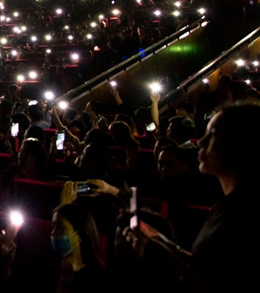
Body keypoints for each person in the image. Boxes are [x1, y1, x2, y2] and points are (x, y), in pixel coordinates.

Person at [122, 102, 260, 291]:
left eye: (213, 135)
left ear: (243, 146)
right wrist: (163, 241)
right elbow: (208, 267)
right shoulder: (227, 204)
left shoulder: (248, 214)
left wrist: (165, 258)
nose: (201, 142)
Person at [51, 202, 109, 292]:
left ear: (79, 235)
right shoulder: (46, 267)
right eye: (53, 226)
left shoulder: (96, 276)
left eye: (60, 227)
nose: (53, 233)